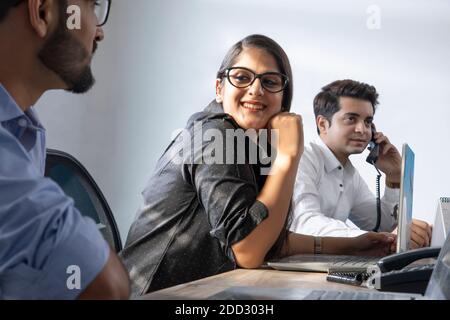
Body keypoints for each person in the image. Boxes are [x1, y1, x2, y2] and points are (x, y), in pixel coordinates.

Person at [120, 34, 395, 297]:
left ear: (283, 96)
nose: (255, 90)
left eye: (270, 81)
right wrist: (288, 158)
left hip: (206, 289)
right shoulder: (215, 135)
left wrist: (354, 246)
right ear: (219, 88)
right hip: (155, 294)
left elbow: (271, 239)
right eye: (241, 77)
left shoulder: (254, 145)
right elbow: (249, 250)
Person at [0, 0, 129, 299]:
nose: (99, 33)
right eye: (92, 6)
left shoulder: (25, 130)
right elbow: (105, 284)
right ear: (43, 12)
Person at [289, 79, 432, 250]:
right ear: (323, 124)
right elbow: (306, 224)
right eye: (351, 119)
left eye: (367, 122)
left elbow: (382, 226)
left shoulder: (349, 174)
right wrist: (372, 238)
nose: (363, 130)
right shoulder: (303, 158)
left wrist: (393, 176)